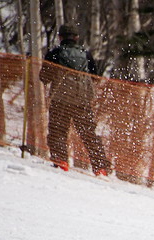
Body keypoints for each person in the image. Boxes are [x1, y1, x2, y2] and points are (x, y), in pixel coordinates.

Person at [39, 24, 111, 176]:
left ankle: (61, 161)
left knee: (58, 132)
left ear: (60, 37)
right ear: (76, 38)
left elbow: (44, 78)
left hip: (61, 100)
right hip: (83, 101)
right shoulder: (86, 54)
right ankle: (101, 168)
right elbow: (95, 77)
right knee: (90, 135)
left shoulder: (55, 53)